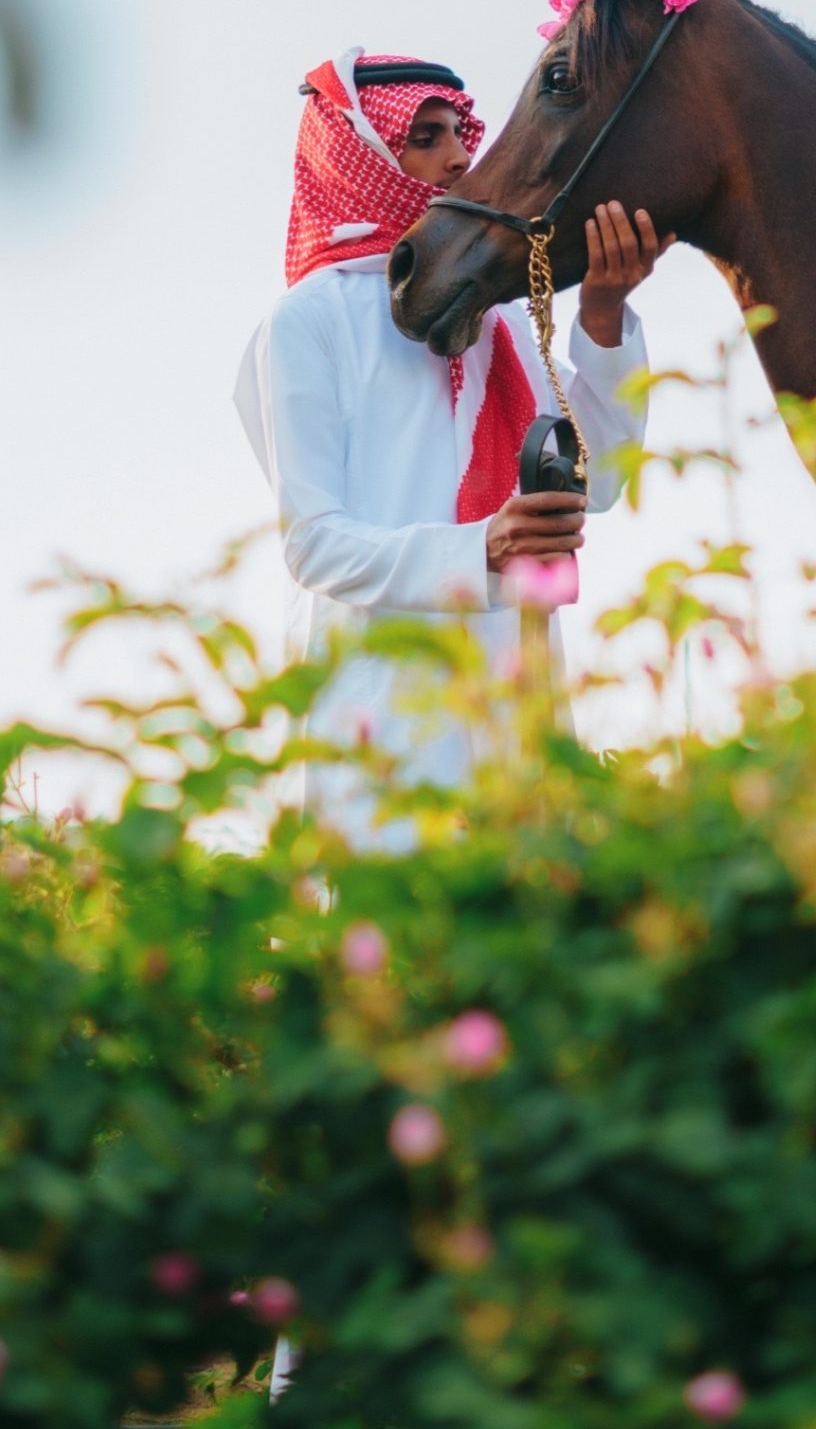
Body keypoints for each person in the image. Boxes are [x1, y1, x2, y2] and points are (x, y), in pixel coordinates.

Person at [234, 46, 665, 854]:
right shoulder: (309, 321)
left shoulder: (498, 318)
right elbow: (313, 541)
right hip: (380, 706)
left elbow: (600, 479)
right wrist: (482, 547)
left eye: (461, 132)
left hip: (513, 693)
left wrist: (604, 316)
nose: (461, 156)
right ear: (358, 155)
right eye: (426, 137)